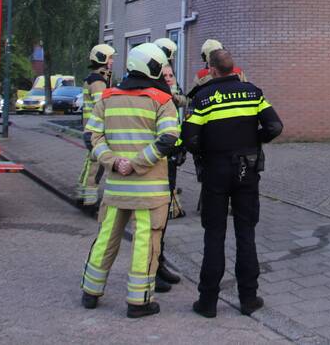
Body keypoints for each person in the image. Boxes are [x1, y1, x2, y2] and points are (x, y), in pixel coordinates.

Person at [80, 43, 179, 318]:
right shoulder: (162, 100)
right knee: (145, 244)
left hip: (115, 189)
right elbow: (169, 139)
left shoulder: (107, 97)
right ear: (155, 67)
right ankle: (139, 301)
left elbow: (91, 138)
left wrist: (113, 162)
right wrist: (136, 164)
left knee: (105, 239)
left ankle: (90, 291)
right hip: (149, 192)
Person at [182, 49, 282, 318]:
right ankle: (248, 299)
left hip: (215, 173)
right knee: (245, 235)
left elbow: (190, 138)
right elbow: (275, 126)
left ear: (212, 70)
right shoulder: (253, 92)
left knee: (214, 236)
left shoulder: (202, 98)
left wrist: (206, 151)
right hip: (247, 171)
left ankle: (208, 302)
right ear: (233, 68)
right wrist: (253, 139)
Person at [151, 37, 187, 292]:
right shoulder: (153, 86)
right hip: (155, 157)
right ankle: (152, 269)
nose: (169, 71)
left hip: (168, 154)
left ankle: (159, 263)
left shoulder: (162, 80)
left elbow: (179, 101)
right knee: (153, 220)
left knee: (162, 218)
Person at [76, 43, 115, 209]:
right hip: (96, 131)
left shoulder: (94, 78)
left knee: (90, 162)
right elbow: (102, 105)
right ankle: (90, 200)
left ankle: (82, 193)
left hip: (90, 129)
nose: (112, 61)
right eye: (110, 58)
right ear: (103, 59)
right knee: (95, 165)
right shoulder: (98, 81)